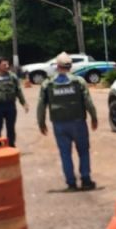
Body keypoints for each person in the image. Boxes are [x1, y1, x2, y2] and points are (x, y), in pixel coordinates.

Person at [37, 52, 99, 191]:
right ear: (70, 66)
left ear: (57, 66)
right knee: (83, 152)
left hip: (59, 124)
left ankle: (71, 183)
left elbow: (41, 105)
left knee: (65, 153)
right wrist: (94, 118)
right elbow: (88, 102)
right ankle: (86, 180)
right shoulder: (78, 81)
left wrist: (41, 123)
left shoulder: (48, 83)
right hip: (78, 122)